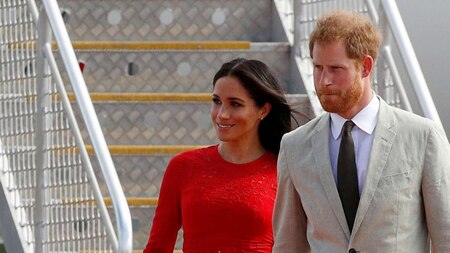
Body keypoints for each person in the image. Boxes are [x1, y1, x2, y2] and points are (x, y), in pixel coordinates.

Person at [272, 10, 450, 253]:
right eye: (318, 67)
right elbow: (287, 245)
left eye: (335, 69)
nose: (324, 81)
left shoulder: (422, 137)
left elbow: (446, 236)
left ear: (365, 67)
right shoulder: (294, 146)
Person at [144, 58, 295, 253]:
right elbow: (157, 247)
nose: (222, 114)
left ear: (263, 110)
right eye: (217, 101)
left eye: (235, 104)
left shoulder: (285, 170)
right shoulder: (182, 167)